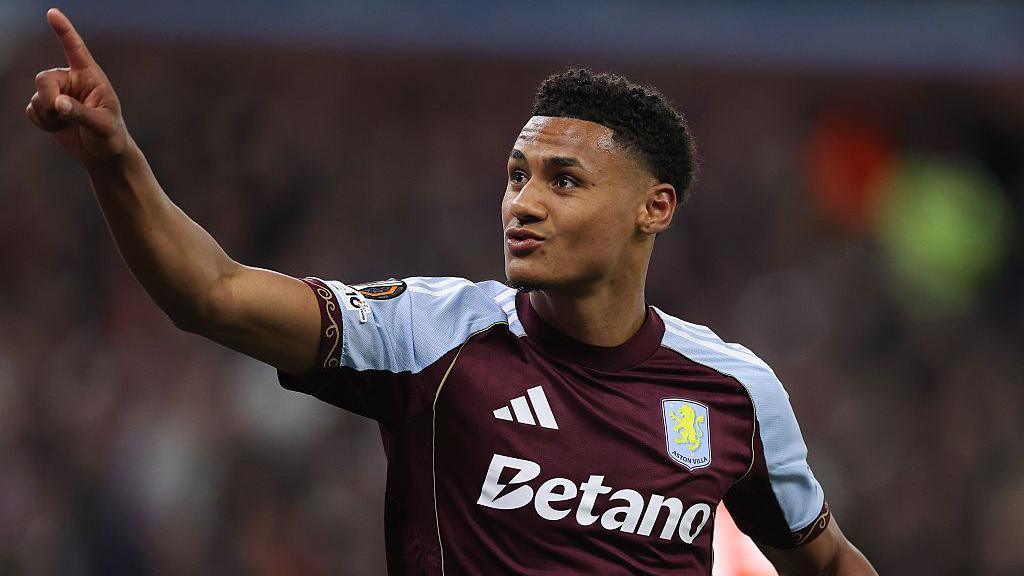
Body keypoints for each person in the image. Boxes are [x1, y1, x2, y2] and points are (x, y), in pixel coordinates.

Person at [27, 8, 877, 575]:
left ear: (654, 208)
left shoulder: (733, 390)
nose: (523, 203)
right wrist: (116, 162)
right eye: (516, 175)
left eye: (564, 180)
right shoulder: (433, 334)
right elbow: (210, 294)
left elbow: (827, 560)